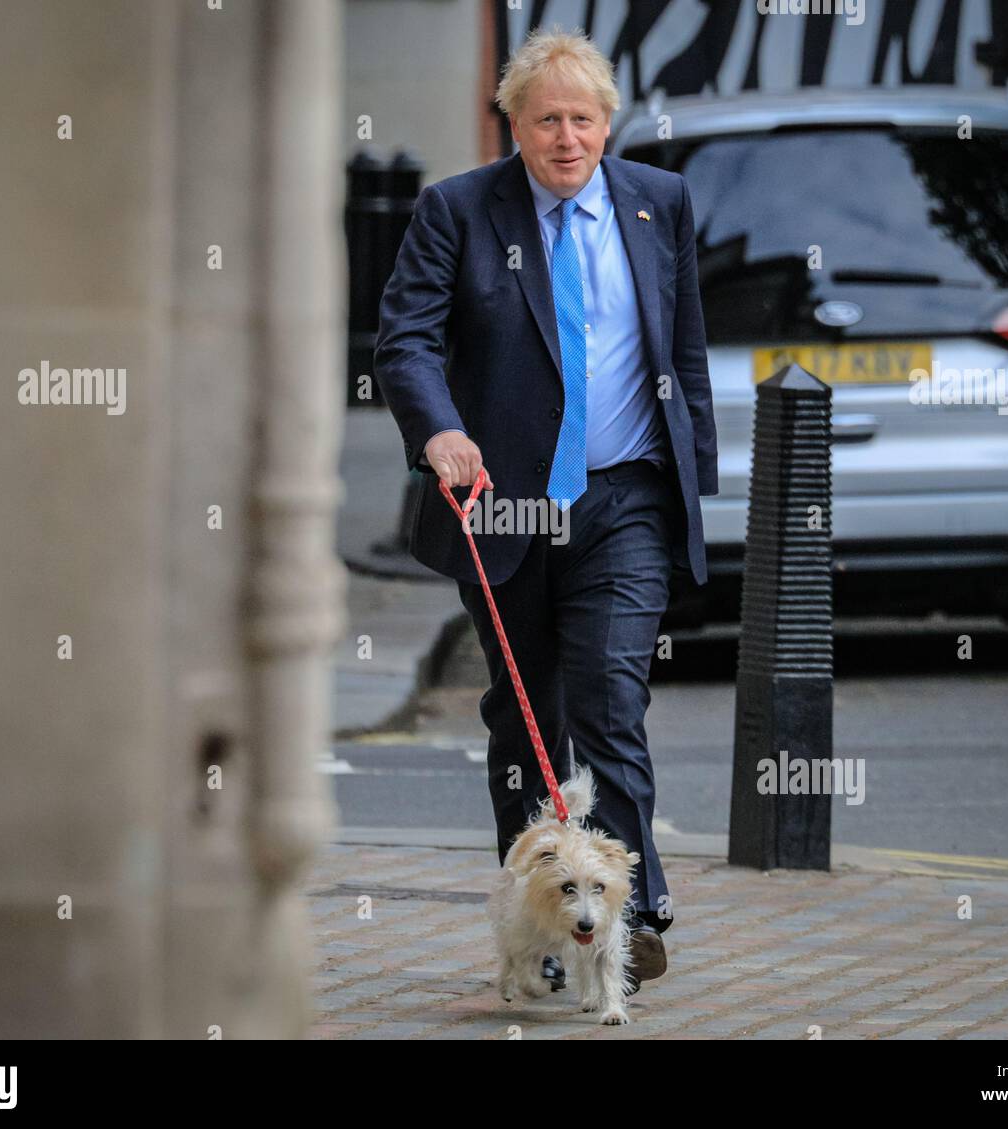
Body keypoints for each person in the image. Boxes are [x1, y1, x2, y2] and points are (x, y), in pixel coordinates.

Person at [374, 26, 718, 993]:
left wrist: (697, 483)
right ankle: (537, 940)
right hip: (506, 504)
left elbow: (682, 350)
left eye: (582, 119)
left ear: (608, 123)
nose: (566, 139)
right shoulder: (458, 212)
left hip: (626, 494)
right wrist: (438, 429)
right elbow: (404, 340)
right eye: (544, 121)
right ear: (512, 126)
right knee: (528, 725)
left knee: (612, 699)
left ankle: (634, 910)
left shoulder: (661, 205)